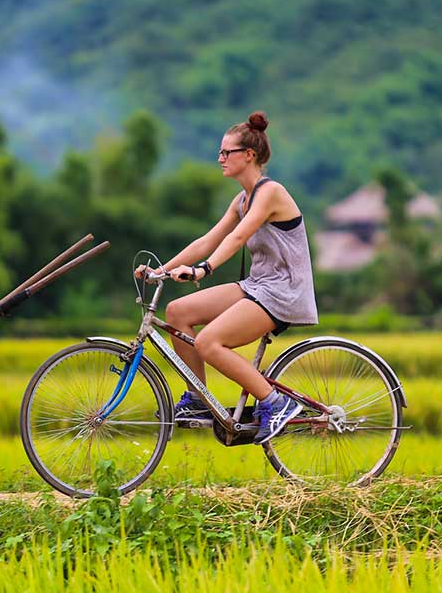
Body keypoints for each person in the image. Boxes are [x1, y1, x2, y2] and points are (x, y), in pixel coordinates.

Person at [134, 111, 318, 444]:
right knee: (177, 312)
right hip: (257, 286)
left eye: (226, 152)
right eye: (220, 152)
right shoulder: (242, 199)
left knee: (208, 342)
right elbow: (207, 240)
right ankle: (198, 400)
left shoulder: (271, 192)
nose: (220, 158)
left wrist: (203, 269)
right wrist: (160, 271)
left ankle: (276, 403)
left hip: (283, 292)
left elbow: (237, 237)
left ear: (248, 155)